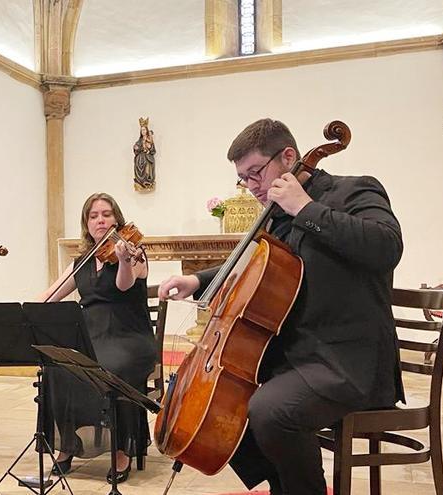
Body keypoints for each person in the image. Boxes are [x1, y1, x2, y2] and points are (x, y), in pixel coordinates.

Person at [158, 118, 404, 495]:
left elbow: (387, 247)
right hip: (295, 355)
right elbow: (251, 262)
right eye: (243, 178)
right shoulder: (274, 216)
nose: (251, 186)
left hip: (347, 360)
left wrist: (305, 207)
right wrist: (197, 280)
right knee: (228, 407)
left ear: (288, 157)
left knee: (270, 410)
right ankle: (284, 484)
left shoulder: (353, 190)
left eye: (255, 172)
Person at [37, 192, 156, 484]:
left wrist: (124, 261)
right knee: (58, 366)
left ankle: (121, 450)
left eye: (106, 214)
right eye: (93, 216)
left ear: (117, 218)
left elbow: (124, 285)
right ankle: (67, 446)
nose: (100, 220)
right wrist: (18, 310)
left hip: (129, 337)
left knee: (113, 368)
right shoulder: (83, 261)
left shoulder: (135, 252)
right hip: (91, 336)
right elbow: (50, 295)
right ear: (86, 224)